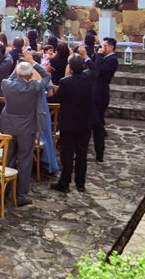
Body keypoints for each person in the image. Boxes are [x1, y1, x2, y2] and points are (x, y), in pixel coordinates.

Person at [0, 51, 51, 206]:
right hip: (26, 128)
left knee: (8, 158)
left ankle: (3, 190)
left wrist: (17, 69)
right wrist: (33, 63)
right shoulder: (33, 87)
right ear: (29, 76)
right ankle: (20, 196)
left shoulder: (7, 85)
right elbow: (47, 77)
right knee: (25, 161)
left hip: (9, 125)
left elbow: (9, 79)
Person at [50, 55, 95, 193]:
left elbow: (56, 99)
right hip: (85, 122)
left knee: (67, 154)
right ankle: (80, 183)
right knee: (82, 154)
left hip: (68, 123)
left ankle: (65, 182)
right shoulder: (89, 78)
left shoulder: (65, 82)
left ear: (70, 67)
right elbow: (93, 68)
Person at [83, 37, 118, 163]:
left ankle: (99, 154)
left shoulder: (113, 60)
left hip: (100, 95)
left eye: (104, 45)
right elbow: (93, 66)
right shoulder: (104, 57)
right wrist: (92, 55)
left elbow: (97, 70)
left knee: (96, 125)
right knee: (91, 124)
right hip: (94, 93)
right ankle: (86, 151)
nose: (102, 48)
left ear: (111, 47)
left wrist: (98, 55)